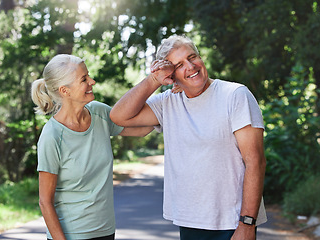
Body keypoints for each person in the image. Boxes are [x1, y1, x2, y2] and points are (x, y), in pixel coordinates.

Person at [110, 35, 267, 240]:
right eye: (179, 65)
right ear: (171, 76)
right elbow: (118, 116)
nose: (191, 66)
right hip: (189, 221)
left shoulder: (235, 95)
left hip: (232, 222)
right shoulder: (168, 102)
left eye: (192, 57)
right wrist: (153, 80)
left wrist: (247, 224)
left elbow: (256, 161)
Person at [31, 54, 153, 240]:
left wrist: (170, 100)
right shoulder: (52, 136)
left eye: (88, 75)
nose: (92, 81)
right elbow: (45, 202)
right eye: (84, 79)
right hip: (72, 235)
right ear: (65, 91)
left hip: (105, 231)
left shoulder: (99, 113)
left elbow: (142, 128)